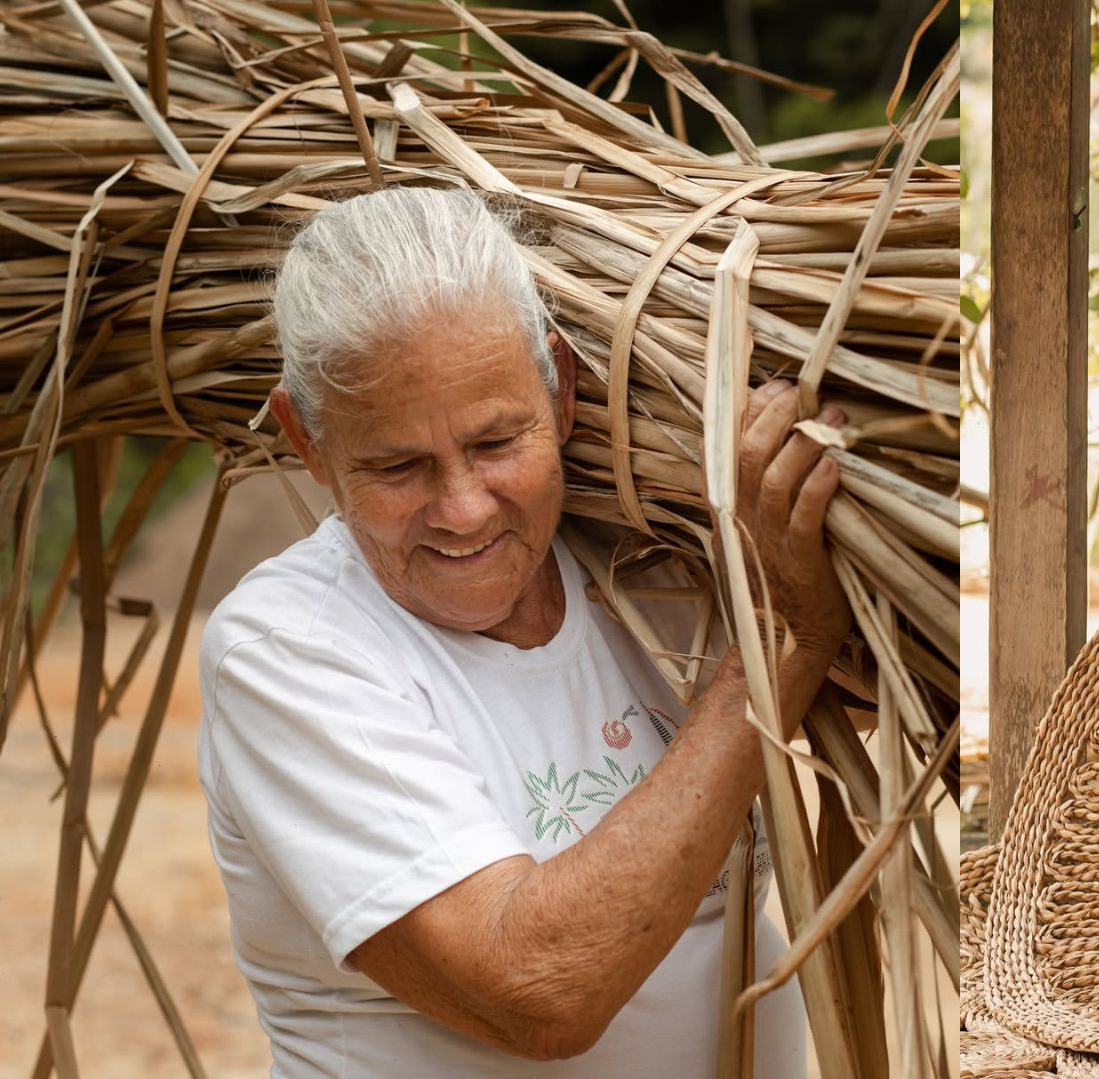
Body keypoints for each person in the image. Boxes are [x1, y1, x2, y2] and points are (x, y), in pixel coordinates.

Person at [196, 186, 849, 1075]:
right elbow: (539, 993)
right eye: (398, 465)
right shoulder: (290, 649)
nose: (463, 510)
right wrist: (775, 644)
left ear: (563, 385)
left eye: (498, 443)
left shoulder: (663, 567)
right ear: (306, 441)